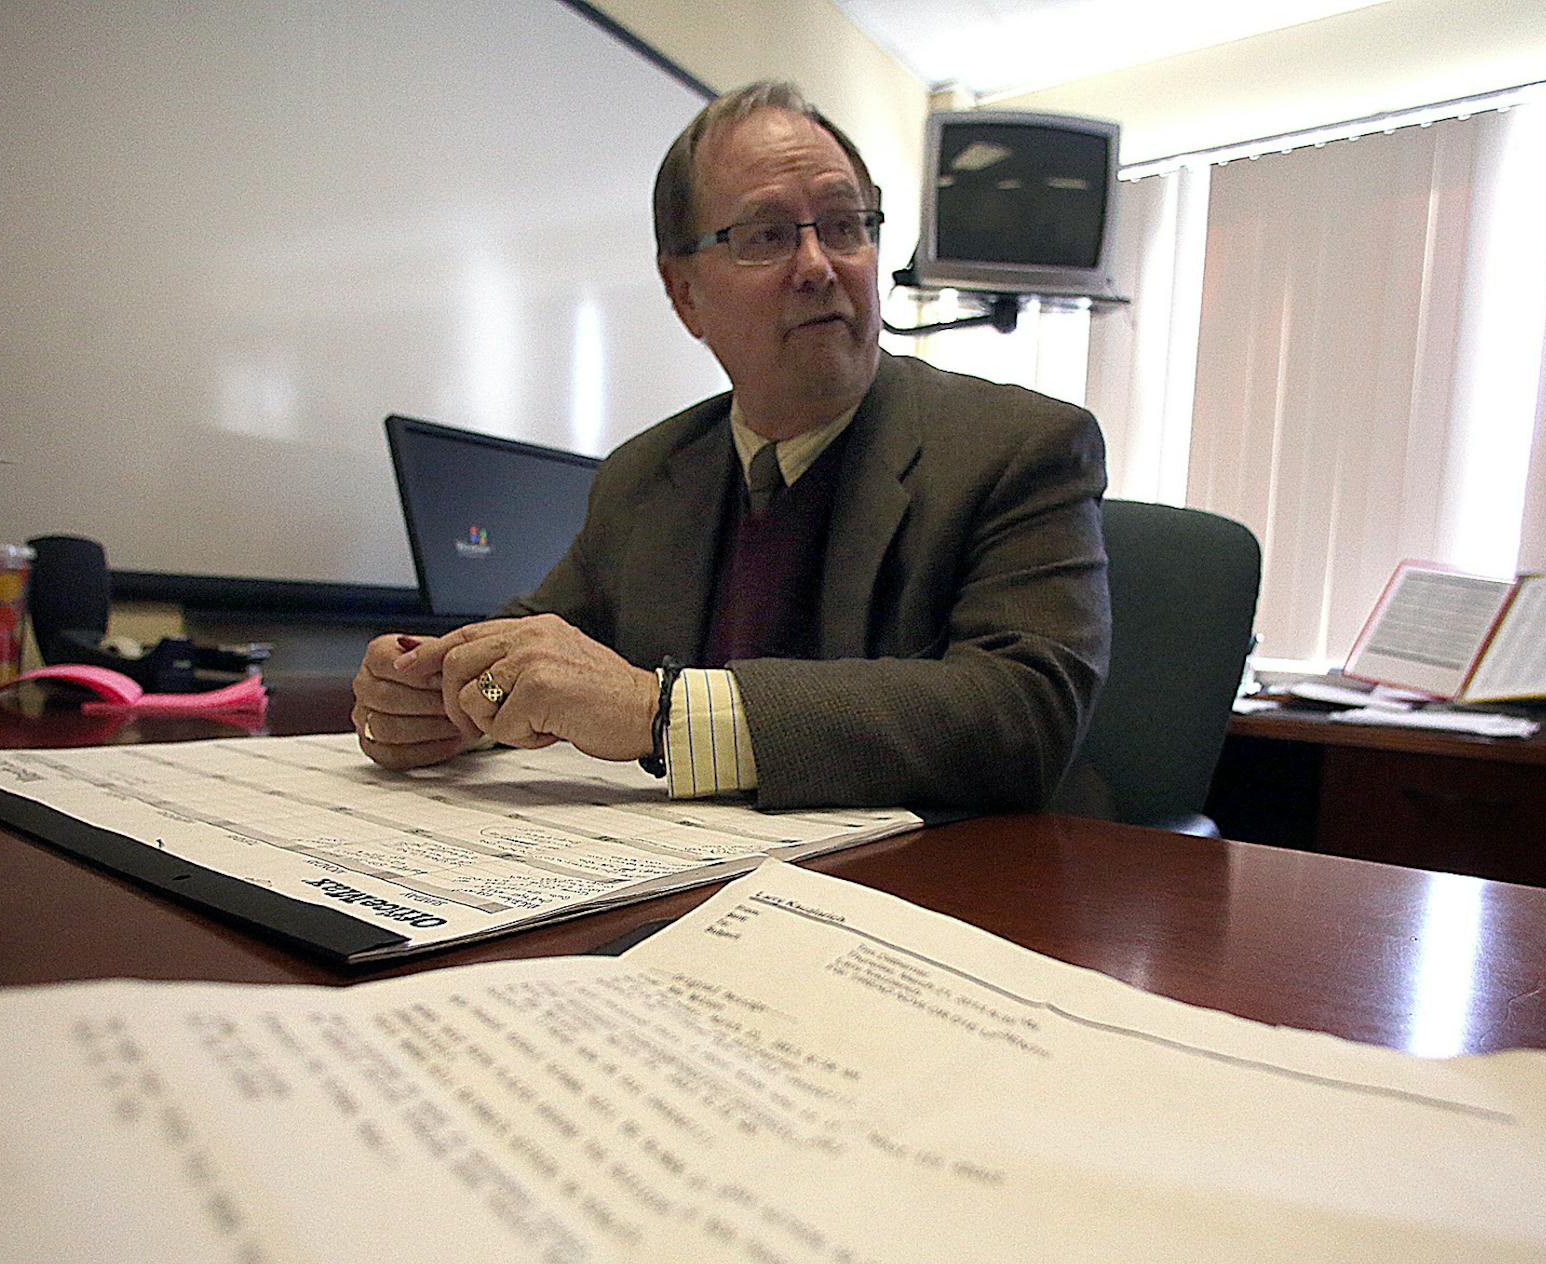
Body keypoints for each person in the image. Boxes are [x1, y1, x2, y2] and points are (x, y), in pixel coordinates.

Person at [352, 81, 1109, 811]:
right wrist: (437, 695)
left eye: (844, 225)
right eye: (767, 235)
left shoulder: (1021, 447)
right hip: (671, 887)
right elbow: (537, 650)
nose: (818, 265)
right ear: (685, 294)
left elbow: (1024, 715)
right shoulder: (644, 474)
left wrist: (660, 712)